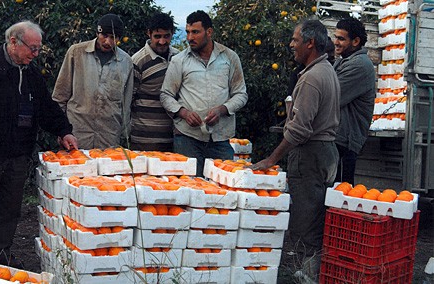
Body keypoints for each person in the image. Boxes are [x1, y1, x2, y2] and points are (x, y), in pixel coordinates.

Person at [0, 20, 78, 267]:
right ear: (13, 42)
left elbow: (45, 106)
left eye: (38, 49)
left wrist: (63, 131)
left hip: (18, 153)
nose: (35, 54)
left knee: (10, 207)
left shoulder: (31, 72)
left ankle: (2, 254)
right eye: (32, 48)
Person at [249, 20, 340, 281]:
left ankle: (308, 277)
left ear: (310, 43)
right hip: (325, 151)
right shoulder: (326, 70)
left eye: (295, 39)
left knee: (305, 220)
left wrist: (271, 158)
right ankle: (309, 272)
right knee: (315, 215)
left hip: (310, 154)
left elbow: (300, 129)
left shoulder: (312, 78)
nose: (291, 44)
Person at [160, 10, 248, 176]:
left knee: (223, 189)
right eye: (187, 32)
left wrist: (222, 110)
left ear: (209, 32)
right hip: (187, 137)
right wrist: (183, 112)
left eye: (195, 32)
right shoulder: (179, 60)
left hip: (220, 138)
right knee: (189, 188)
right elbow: (165, 95)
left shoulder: (229, 57)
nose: (189, 38)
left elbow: (241, 94)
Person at [52, 13, 133, 150]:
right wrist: (61, 130)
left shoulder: (126, 61)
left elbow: (126, 103)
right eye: (104, 36)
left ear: (119, 38)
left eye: (113, 37)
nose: (107, 42)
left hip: (109, 138)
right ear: (97, 32)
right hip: (76, 135)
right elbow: (60, 95)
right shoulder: (76, 53)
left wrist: (124, 134)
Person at [333, 18, 376, 185]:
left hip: (345, 142)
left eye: (341, 39)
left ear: (356, 41)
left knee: (340, 193)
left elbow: (332, 97)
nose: (336, 42)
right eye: (335, 37)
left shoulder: (360, 65)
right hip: (339, 138)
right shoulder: (343, 60)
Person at [130, 13, 179, 152]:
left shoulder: (178, 58)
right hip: (144, 141)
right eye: (157, 36)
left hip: (174, 139)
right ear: (149, 34)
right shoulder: (137, 61)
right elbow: (128, 100)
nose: (162, 41)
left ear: (172, 34)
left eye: (166, 36)